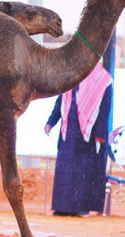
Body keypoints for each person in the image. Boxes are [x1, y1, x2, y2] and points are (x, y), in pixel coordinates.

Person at [44, 62, 113, 216]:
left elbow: (104, 110)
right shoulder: (71, 76)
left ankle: (81, 208)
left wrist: (100, 135)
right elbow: (60, 102)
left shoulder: (103, 80)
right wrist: (50, 122)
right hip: (68, 133)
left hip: (88, 137)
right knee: (65, 170)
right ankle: (62, 207)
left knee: (83, 172)